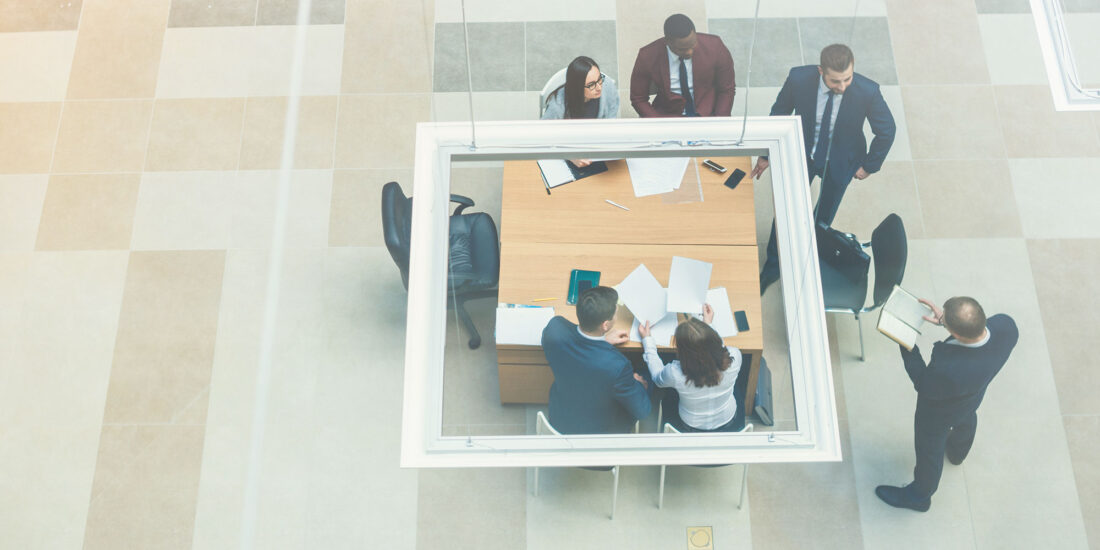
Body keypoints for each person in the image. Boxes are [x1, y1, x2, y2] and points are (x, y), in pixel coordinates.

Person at [755, 44, 896, 293]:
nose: (842, 87)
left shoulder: (868, 91)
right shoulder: (798, 79)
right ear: (821, 71)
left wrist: (869, 166)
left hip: (842, 161)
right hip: (802, 154)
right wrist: (767, 154)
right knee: (787, 210)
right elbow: (779, 113)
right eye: (835, 81)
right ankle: (774, 266)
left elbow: (887, 131)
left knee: (823, 217)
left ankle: (808, 259)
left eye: (847, 79)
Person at [876, 297, 1018, 512]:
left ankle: (919, 496)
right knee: (967, 417)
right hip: (973, 396)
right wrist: (947, 322)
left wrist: (906, 345)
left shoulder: (949, 370)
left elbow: (924, 384)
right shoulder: (1006, 326)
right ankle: (957, 452)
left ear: (958, 334)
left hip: (938, 415)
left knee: (929, 451)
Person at [541, 286, 652, 434]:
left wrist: (602, 341)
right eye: (615, 314)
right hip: (597, 429)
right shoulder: (617, 366)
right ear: (605, 325)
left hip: (562, 416)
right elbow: (643, 411)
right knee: (648, 376)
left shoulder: (554, 330)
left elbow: (575, 341)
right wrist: (637, 384)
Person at [638, 305, 745, 432]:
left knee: (668, 394)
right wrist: (708, 325)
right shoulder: (735, 356)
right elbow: (718, 347)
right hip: (729, 422)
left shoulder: (675, 373)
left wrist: (648, 341)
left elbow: (657, 379)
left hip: (690, 427)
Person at [629, 13, 735, 118]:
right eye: (682, 49)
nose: (689, 52)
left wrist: (720, 120)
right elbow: (638, 98)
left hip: (708, 115)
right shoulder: (647, 55)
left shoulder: (715, 46)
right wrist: (657, 123)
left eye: (693, 45)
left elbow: (726, 89)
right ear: (667, 42)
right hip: (666, 117)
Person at [541, 56, 620, 121]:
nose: (599, 88)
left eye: (599, 79)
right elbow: (545, 131)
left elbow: (611, 123)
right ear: (577, 87)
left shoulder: (608, 87)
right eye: (591, 85)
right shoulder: (557, 105)